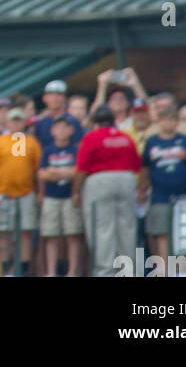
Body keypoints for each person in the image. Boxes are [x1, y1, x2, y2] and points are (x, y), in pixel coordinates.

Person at [73, 103, 141, 278]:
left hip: (100, 180)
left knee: (102, 228)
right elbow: (136, 165)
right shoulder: (125, 137)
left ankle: (106, 272)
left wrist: (75, 192)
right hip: (125, 179)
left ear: (96, 122)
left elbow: (81, 168)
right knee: (127, 227)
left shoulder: (92, 137)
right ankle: (127, 272)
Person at [140, 103, 186, 263]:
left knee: (184, 236)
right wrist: (142, 187)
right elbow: (145, 167)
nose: (169, 123)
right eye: (165, 120)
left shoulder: (185, 141)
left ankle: (181, 271)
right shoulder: (151, 142)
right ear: (159, 121)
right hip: (159, 196)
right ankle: (166, 271)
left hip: (182, 197)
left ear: (177, 122)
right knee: (162, 234)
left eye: (172, 120)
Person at [0, 108, 41, 274]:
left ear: (24, 122)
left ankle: (22, 268)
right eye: (13, 120)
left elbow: (37, 168)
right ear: (7, 122)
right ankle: (4, 267)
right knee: (3, 233)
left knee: (25, 231)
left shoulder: (31, 142)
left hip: (26, 192)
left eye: (19, 120)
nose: (16, 123)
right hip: (3, 193)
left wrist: (40, 192)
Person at [37, 114, 82, 278]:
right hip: (51, 196)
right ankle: (51, 272)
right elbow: (41, 174)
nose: (62, 131)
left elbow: (78, 172)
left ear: (71, 130)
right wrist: (67, 173)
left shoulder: (75, 150)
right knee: (50, 235)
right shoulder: (48, 150)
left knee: (73, 234)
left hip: (71, 196)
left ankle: (73, 272)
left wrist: (55, 172)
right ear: (52, 130)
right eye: (58, 127)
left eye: (65, 127)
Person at [34, 81, 83, 147]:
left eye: (59, 95)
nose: (55, 98)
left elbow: (78, 146)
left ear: (65, 98)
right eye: (51, 94)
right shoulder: (41, 123)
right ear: (44, 98)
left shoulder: (73, 121)